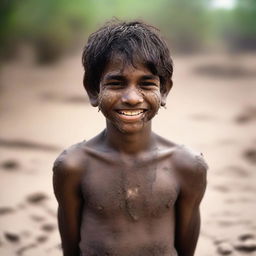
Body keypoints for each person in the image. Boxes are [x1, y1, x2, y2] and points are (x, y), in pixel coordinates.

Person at [53, 20, 208, 256]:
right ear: (93, 91)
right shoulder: (73, 166)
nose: (133, 98)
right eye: (116, 83)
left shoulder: (187, 166)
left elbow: (186, 250)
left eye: (146, 84)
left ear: (164, 90)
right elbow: (70, 248)